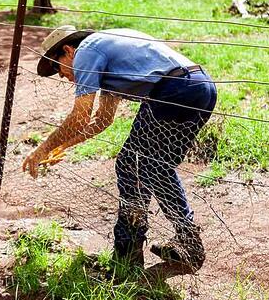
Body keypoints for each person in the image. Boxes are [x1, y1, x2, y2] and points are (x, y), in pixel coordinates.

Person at [22, 25, 217, 273]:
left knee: (130, 164)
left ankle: (127, 254)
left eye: (57, 67)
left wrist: (41, 150)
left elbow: (80, 117)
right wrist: (60, 146)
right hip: (201, 87)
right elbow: (102, 120)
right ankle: (188, 242)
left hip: (174, 90)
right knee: (155, 169)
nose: (61, 76)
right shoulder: (105, 51)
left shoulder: (86, 53)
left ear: (68, 51)